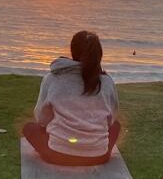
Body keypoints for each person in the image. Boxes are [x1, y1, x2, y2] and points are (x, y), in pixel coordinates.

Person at [22, 30, 121, 166]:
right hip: (99, 156)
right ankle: (89, 148)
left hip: (57, 155)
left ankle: (66, 147)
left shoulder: (52, 79)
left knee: (28, 128)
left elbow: (41, 120)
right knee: (116, 126)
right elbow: (111, 120)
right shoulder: (107, 82)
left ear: (72, 51)